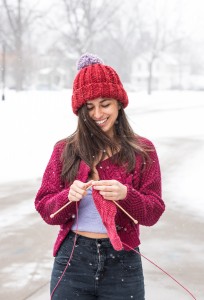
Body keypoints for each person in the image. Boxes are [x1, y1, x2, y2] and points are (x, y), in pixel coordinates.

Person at [35, 53, 165, 300]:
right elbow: (45, 208)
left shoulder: (142, 151)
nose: (97, 114)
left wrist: (127, 195)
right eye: (89, 107)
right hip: (73, 260)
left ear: (119, 103)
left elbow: (154, 211)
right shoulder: (65, 150)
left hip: (124, 262)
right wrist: (67, 196)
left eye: (105, 104)